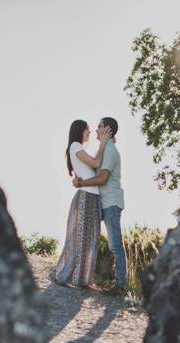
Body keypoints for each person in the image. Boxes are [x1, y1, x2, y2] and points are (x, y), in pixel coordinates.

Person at [73, 117, 127, 296]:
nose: (96, 130)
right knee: (92, 240)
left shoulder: (110, 150)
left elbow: (102, 178)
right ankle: (84, 277)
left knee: (115, 245)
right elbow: (93, 167)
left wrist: (80, 184)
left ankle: (120, 285)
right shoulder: (105, 148)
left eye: (99, 126)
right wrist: (79, 178)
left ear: (107, 129)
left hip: (111, 201)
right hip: (103, 201)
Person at [55, 119, 109, 291]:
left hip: (93, 197)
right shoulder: (75, 146)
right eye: (86, 129)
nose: (90, 132)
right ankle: (69, 277)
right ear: (79, 130)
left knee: (90, 240)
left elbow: (92, 167)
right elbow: (96, 163)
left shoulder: (80, 149)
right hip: (86, 196)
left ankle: (85, 279)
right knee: (80, 239)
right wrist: (103, 144)